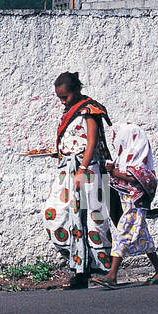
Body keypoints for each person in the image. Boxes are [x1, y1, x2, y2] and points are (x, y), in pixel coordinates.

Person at [43, 71, 113, 289]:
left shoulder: (89, 110)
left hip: (88, 170)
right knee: (56, 215)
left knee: (93, 218)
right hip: (67, 170)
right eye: (60, 98)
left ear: (76, 91)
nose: (63, 101)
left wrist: (82, 169)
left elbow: (91, 142)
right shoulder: (69, 112)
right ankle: (78, 264)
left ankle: (94, 271)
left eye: (65, 97)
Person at [97, 122, 158, 288]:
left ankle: (112, 275)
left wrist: (114, 172)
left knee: (121, 233)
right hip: (129, 201)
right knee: (143, 235)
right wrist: (112, 169)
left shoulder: (138, 156)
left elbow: (136, 177)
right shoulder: (126, 156)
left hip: (136, 202)